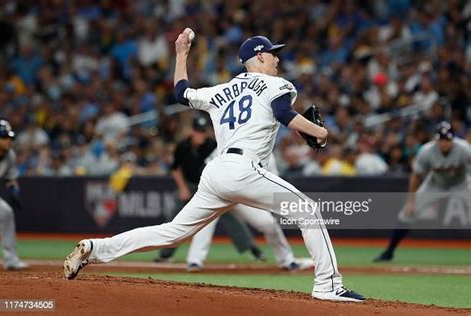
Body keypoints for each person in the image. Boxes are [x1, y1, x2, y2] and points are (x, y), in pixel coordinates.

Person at [64, 30, 365, 302]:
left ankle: (95, 248)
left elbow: (181, 94)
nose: (277, 59)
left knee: (172, 232)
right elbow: (283, 113)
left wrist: (181, 55)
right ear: (260, 56)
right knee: (308, 210)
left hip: (217, 172)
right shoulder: (277, 84)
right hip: (244, 169)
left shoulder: (220, 91)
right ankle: (328, 284)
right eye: (274, 53)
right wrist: (321, 132)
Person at [153, 116, 267, 263]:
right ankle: (165, 254)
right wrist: (182, 188)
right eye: (198, 131)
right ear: (192, 131)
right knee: (177, 219)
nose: (200, 135)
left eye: (203, 131)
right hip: (190, 186)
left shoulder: (213, 145)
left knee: (229, 216)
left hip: (210, 187)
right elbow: (175, 168)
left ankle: (253, 249)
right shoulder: (183, 146)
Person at [185, 153, 315, 272]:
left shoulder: (268, 154)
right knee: (206, 222)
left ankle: (287, 260)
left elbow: (273, 181)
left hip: (244, 198)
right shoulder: (227, 144)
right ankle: (194, 261)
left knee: (268, 223)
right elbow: (207, 167)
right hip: (221, 193)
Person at [374, 121, 471, 262]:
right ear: (436, 139)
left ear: (453, 139)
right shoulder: (427, 151)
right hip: (435, 185)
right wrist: (411, 202)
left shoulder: (464, 148)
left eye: (447, 139)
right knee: (406, 214)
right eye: (441, 139)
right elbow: (416, 176)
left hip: (461, 183)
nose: (444, 143)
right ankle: (389, 252)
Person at [0, 119, 29, 270]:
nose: (9, 141)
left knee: (6, 212)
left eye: (10, 137)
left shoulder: (9, 155)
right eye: (4, 137)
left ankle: (10, 260)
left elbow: (10, 180)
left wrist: (14, 190)